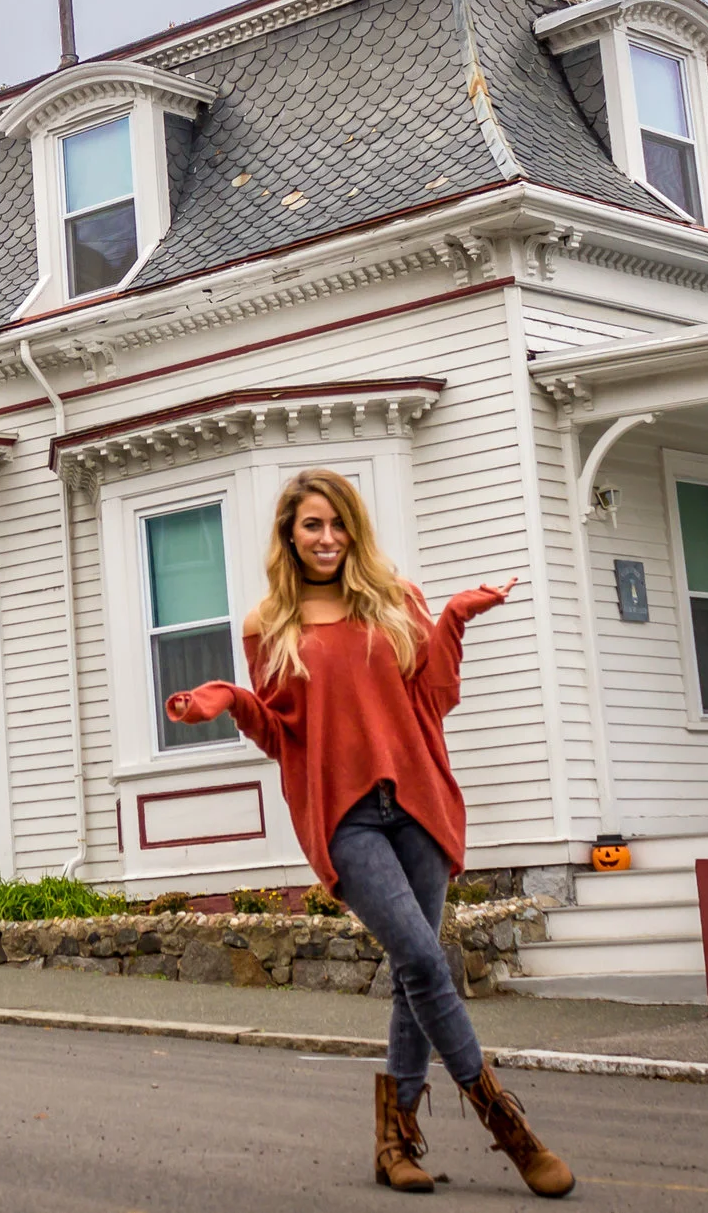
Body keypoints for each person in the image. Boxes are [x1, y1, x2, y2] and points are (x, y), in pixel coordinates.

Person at [166, 468, 573, 1198]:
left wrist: (451, 617)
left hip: (415, 799)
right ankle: (509, 1127)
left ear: (353, 528)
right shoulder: (269, 623)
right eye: (311, 526)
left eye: (337, 524)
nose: (326, 538)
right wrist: (229, 697)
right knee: (421, 956)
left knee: (412, 978)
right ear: (289, 536)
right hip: (345, 814)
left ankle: (394, 1143)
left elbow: (432, 697)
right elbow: (284, 731)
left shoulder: (396, 600)